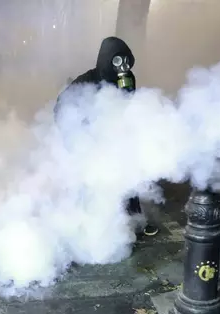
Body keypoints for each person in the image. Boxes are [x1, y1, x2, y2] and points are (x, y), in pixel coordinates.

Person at [55, 36, 158, 237]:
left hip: (118, 137)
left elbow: (129, 105)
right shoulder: (87, 80)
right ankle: (84, 224)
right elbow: (61, 106)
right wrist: (80, 133)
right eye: (117, 60)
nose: (123, 66)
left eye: (126, 60)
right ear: (106, 59)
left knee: (129, 178)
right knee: (92, 183)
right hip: (92, 141)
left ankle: (136, 221)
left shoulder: (128, 79)